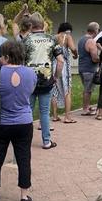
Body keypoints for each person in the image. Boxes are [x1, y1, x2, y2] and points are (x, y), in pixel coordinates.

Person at [0, 40, 37, 201]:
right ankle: (24, 196)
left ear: (6, 55)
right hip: (24, 121)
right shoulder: (30, 73)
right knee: (24, 158)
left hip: (0, 122)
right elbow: (30, 91)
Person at [24, 12, 64, 149]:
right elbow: (60, 61)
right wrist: (56, 77)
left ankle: (25, 141)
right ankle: (46, 141)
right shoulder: (52, 40)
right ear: (43, 24)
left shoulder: (26, 40)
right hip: (46, 80)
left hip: (28, 81)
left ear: (30, 25)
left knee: (27, 110)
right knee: (44, 112)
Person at [51, 22, 78, 123]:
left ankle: (54, 115)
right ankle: (67, 117)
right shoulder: (67, 37)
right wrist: (76, 54)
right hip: (64, 65)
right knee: (67, 90)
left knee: (54, 91)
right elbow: (73, 48)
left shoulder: (53, 37)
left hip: (54, 64)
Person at [77, 22, 100, 115]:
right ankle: (85, 109)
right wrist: (101, 59)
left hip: (82, 67)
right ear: (95, 31)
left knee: (87, 89)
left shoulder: (81, 39)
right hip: (89, 69)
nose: (98, 31)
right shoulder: (91, 41)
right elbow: (94, 58)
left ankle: (87, 106)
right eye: (98, 29)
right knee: (88, 90)